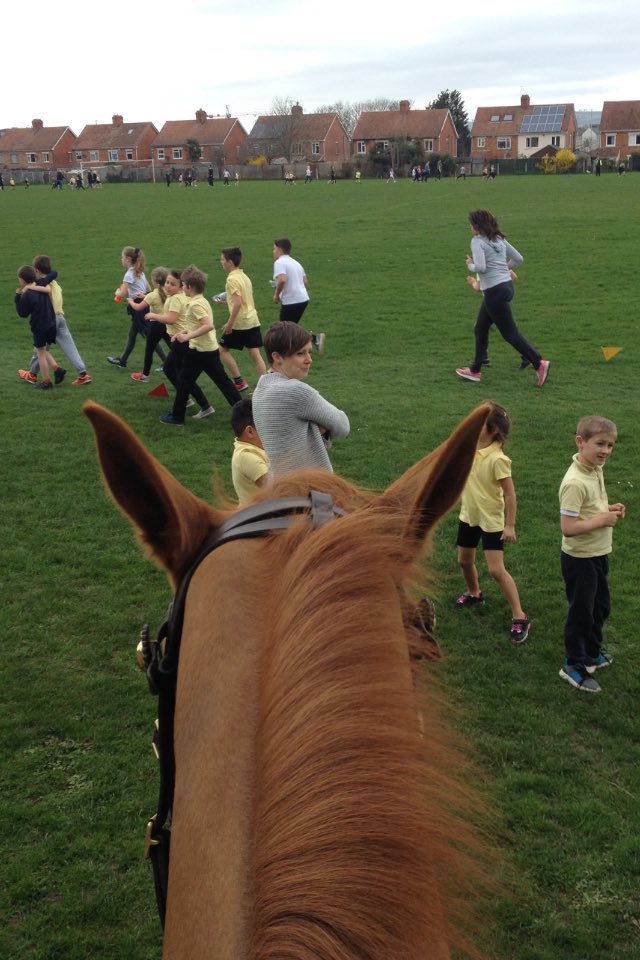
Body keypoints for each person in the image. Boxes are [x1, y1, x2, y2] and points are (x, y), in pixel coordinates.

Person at [558, 416, 625, 693]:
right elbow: (568, 527)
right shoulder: (574, 482)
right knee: (581, 613)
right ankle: (573, 664)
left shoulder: (595, 469)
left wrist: (607, 509)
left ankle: (592, 652)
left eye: (610, 445)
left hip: (598, 553)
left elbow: (591, 507)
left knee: (601, 607)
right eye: (599, 444)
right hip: (580, 558)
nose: (606, 451)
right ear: (580, 442)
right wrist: (601, 521)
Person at [454, 401, 530, 643]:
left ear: (494, 429)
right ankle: (474, 593)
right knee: (464, 561)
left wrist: (510, 525)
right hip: (469, 516)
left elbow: (509, 493)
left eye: (479, 425)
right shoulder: (471, 449)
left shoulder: (498, 459)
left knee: (496, 570)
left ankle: (520, 616)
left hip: (491, 521)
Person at [455, 209, 550, 387]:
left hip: (494, 292)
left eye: (471, 224)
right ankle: (475, 369)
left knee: (510, 334)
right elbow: (518, 259)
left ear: (476, 226)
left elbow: (481, 267)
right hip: (505, 287)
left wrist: (470, 266)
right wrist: (503, 269)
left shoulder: (477, 241)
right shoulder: (498, 239)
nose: (470, 228)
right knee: (480, 327)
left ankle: (539, 363)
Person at [252, 321, 349, 476]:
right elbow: (343, 425)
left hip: (278, 487)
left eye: (309, 352)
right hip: (309, 489)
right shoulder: (295, 391)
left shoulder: (260, 391)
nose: (309, 359)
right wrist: (320, 430)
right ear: (277, 357)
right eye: (300, 353)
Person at [159, 265, 240, 426]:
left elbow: (208, 325)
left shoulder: (196, 304)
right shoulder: (199, 301)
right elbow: (196, 324)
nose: (182, 287)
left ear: (189, 287)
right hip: (207, 350)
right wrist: (182, 332)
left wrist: (188, 336)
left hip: (200, 352)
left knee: (184, 383)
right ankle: (246, 413)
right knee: (222, 383)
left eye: (183, 285)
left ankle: (177, 417)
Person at [18, 255, 92, 386]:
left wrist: (28, 288)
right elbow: (54, 275)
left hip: (48, 319)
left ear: (36, 270)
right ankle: (83, 374)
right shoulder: (54, 282)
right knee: (69, 347)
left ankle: (33, 375)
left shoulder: (41, 283)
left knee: (40, 349)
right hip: (60, 317)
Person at [151, 269, 214, 418]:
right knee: (176, 372)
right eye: (167, 282)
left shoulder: (175, 299)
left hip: (182, 342)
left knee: (181, 374)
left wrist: (153, 315)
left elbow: (172, 319)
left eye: (172, 284)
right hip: (182, 339)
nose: (167, 286)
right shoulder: (182, 297)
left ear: (182, 286)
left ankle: (202, 404)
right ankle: (188, 399)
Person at [216, 247, 267, 392]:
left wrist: (229, 324)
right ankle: (266, 385)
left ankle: (239, 382)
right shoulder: (244, 276)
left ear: (230, 262)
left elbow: (238, 303)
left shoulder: (231, 279)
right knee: (254, 353)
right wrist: (227, 302)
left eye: (222, 260)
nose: (221, 262)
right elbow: (241, 301)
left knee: (222, 350)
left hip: (240, 323)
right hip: (252, 319)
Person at [108, 246, 166, 370]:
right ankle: (122, 361)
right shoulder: (140, 272)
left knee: (150, 336)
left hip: (138, 308)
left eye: (122, 257)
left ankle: (167, 362)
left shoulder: (129, 274)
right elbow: (149, 290)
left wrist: (117, 291)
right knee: (132, 334)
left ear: (128, 259)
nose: (121, 260)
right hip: (143, 304)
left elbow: (122, 294)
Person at [15, 265, 57, 390]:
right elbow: (54, 273)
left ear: (22, 280)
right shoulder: (41, 283)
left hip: (40, 326)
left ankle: (46, 382)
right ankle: (57, 369)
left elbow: (22, 313)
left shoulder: (28, 294)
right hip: (51, 322)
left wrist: (17, 297)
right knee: (43, 350)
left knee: (40, 353)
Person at [129, 267, 173, 382]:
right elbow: (157, 299)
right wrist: (145, 297)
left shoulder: (153, 295)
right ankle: (182, 365)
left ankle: (145, 375)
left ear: (156, 282)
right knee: (174, 348)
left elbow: (138, 308)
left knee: (149, 350)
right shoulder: (169, 292)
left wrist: (131, 302)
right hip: (168, 324)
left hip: (155, 326)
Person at [230, 398, 270, 505]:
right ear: (250, 431)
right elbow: (277, 489)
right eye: (266, 426)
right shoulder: (247, 457)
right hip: (260, 518)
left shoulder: (251, 449)